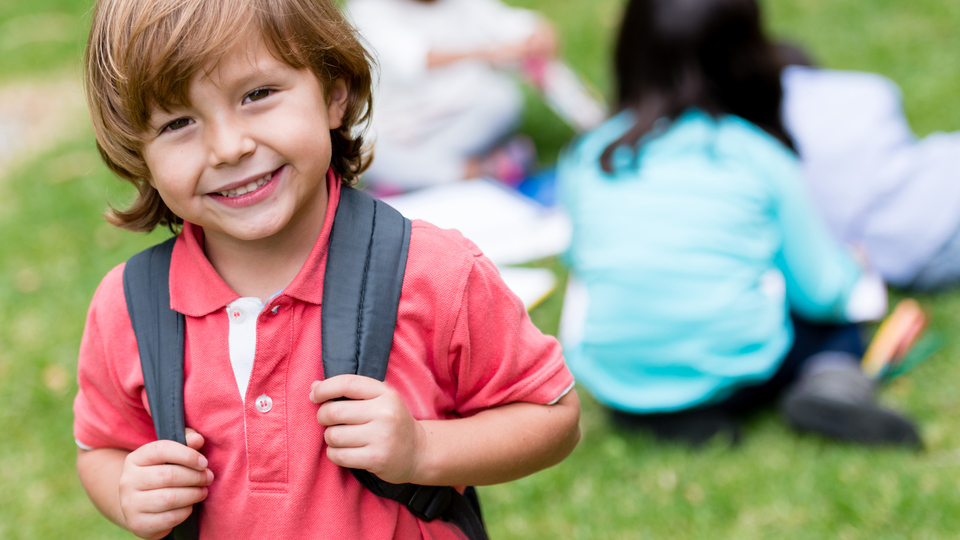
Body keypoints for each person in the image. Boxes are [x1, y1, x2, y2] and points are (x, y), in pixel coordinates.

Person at [73, 0, 580, 538]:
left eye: (257, 95)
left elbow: (551, 416)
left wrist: (423, 450)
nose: (228, 148)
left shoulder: (434, 273)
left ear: (334, 92)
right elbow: (102, 446)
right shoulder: (130, 307)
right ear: (138, 152)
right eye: (178, 122)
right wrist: (129, 491)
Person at [557, 0, 919, 447]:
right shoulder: (754, 153)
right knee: (835, 322)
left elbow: (580, 256)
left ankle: (667, 414)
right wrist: (853, 270)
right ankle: (831, 383)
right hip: (734, 367)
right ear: (750, 57)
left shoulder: (591, 153)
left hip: (616, 374)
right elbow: (824, 290)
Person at [778, 45, 960, 291]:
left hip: (910, 235)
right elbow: (877, 93)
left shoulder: (742, 158)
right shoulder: (829, 103)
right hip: (936, 229)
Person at [345, 0, 556, 192]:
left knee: (503, 100)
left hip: (457, 118)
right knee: (363, 151)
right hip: (395, 130)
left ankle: (412, 180)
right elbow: (417, 60)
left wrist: (535, 34)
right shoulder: (366, 10)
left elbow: (506, 25)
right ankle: (479, 171)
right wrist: (489, 53)